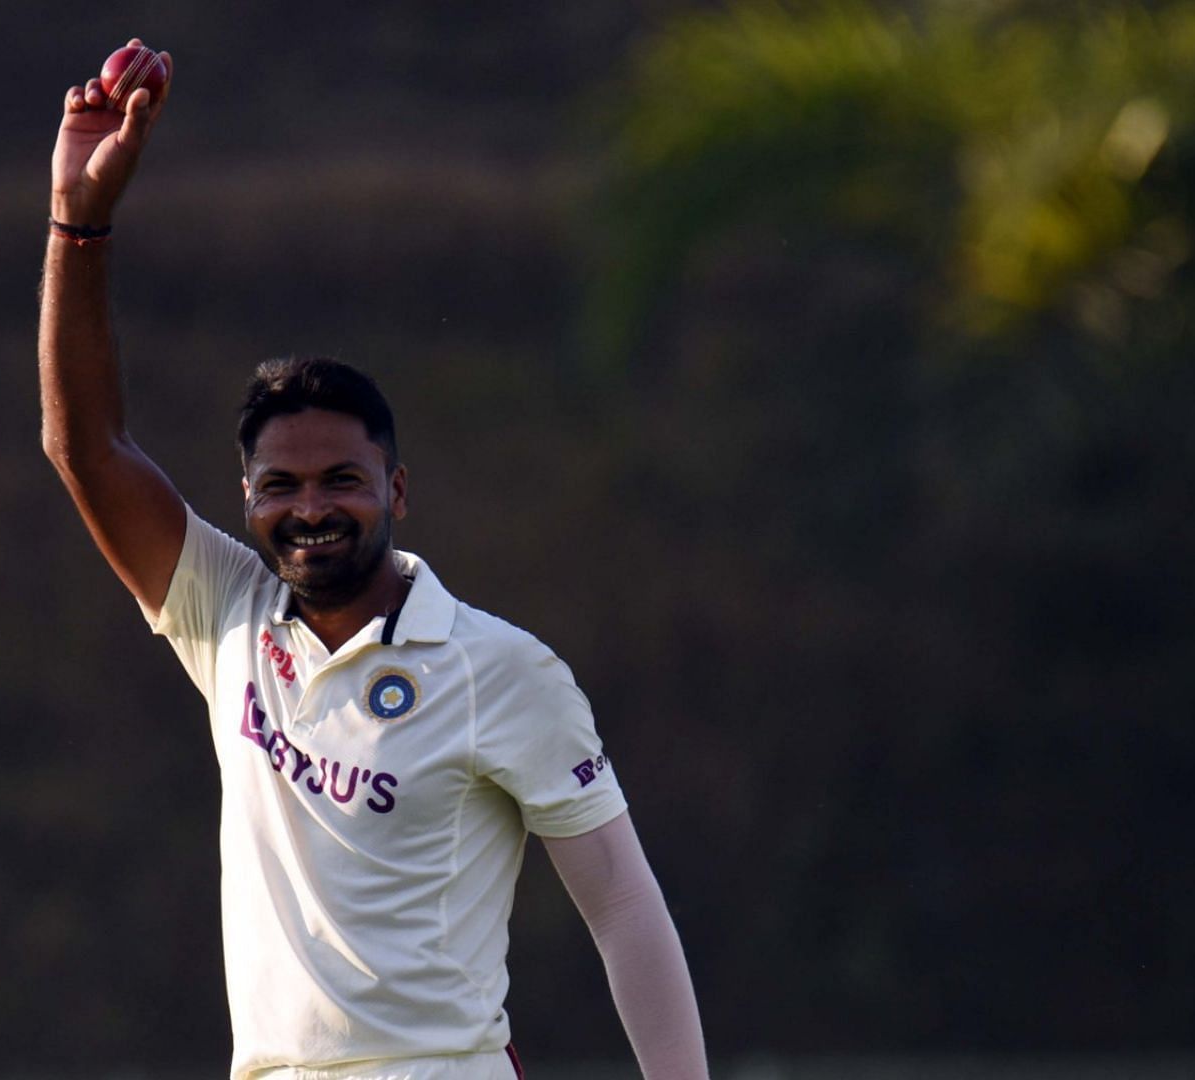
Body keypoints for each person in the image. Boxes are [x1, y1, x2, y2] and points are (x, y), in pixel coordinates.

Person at [38, 40, 711, 1080]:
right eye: (282, 487)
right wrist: (78, 222)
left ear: (396, 490)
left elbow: (623, 907)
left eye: (343, 481)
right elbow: (87, 446)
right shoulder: (228, 616)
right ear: (247, 502)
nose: (313, 511)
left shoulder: (502, 670)